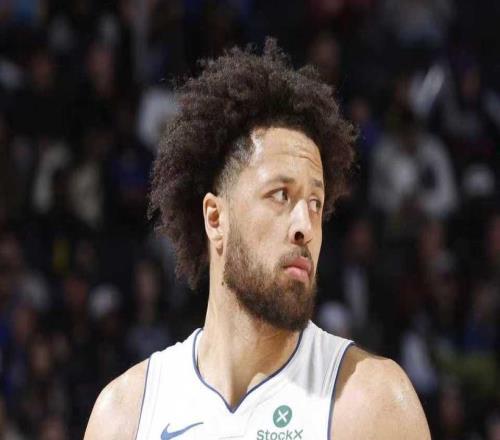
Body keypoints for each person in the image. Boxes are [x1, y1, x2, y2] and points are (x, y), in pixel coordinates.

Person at [84, 39, 431, 439]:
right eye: (280, 195)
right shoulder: (124, 415)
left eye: (315, 203)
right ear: (216, 218)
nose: (305, 226)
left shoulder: (372, 403)